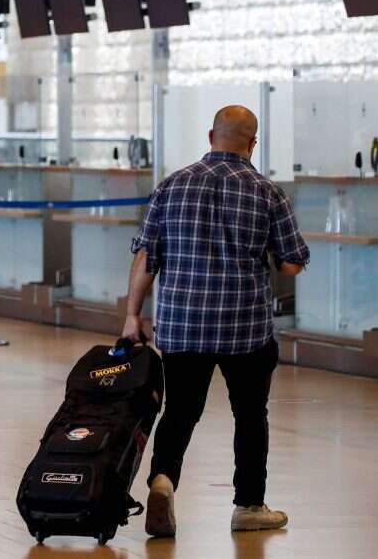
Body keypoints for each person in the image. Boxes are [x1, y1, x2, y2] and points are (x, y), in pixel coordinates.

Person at [121, 105, 309, 536]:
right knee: (250, 413)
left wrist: (132, 316)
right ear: (252, 144)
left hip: (183, 324)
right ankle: (248, 506)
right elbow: (290, 265)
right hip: (246, 327)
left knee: (181, 410)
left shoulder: (171, 187)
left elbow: (146, 257)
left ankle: (163, 480)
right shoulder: (267, 193)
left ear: (210, 136)